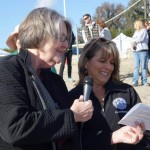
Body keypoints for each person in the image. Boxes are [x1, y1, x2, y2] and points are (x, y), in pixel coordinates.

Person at [0, 7, 94, 150]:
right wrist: (72, 115)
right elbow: (14, 127)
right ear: (39, 35)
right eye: (61, 37)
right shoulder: (7, 70)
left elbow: (70, 130)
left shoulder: (56, 80)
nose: (66, 45)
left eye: (67, 39)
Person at [69, 38, 150, 150]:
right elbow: (72, 142)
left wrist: (141, 133)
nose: (108, 66)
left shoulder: (127, 91)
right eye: (102, 61)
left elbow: (146, 133)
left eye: (112, 63)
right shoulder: (73, 98)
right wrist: (111, 138)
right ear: (86, 63)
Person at [131, 19, 149, 86]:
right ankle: (135, 81)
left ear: (138, 24)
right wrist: (133, 41)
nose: (134, 26)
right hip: (135, 51)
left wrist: (134, 41)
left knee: (143, 67)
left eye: (135, 24)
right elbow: (132, 39)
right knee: (136, 67)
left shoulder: (144, 31)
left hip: (143, 51)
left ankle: (144, 81)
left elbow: (139, 39)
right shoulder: (136, 32)